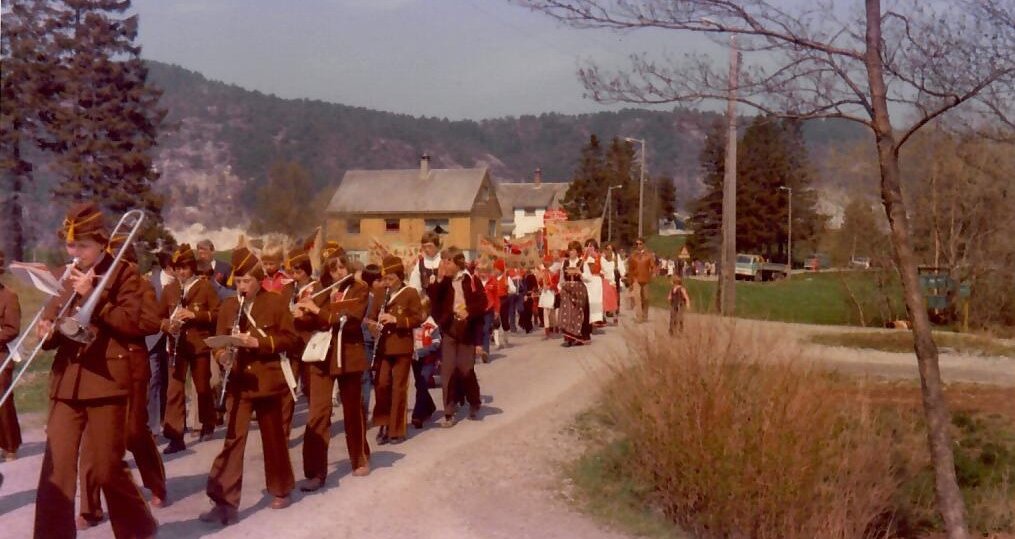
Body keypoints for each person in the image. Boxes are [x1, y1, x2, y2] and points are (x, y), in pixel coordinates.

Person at [34, 202, 158, 539]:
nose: (75, 253)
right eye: (71, 245)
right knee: (56, 470)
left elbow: (135, 324)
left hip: (105, 380)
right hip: (66, 384)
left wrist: (96, 299)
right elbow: (56, 323)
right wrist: (45, 331)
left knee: (106, 468)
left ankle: (138, 529)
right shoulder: (64, 274)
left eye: (83, 246)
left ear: (102, 244)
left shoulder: (123, 274)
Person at [201, 246, 297, 525]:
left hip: (268, 379)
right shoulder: (229, 306)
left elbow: (291, 340)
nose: (242, 287)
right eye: (238, 281)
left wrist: (260, 343)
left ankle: (281, 488)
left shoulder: (276, 302)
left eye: (247, 281)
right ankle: (224, 502)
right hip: (239, 381)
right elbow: (218, 339)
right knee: (233, 439)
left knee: (274, 437)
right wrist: (221, 355)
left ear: (259, 280)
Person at [78, 234, 168, 529]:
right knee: (93, 439)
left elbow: (151, 323)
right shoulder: (93, 285)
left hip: (132, 364)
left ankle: (156, 483)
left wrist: (113, 316)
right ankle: (90, 507)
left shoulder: (140, 286)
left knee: (132, 432)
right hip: (100, 367)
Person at [294, 251, 371, 491]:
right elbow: (310, 323)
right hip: (322, 357)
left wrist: (318, 312)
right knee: (318, 412)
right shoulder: (318, 289)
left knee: (352, 410)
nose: (339, 272)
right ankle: (315, 472)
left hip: (349, 355)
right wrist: (300, 314)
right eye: (333, 268)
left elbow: (351, 319)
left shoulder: (359, 289)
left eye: (342, 267)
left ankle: (359, 457)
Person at [160, 243, 221, 454]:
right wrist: (169, 324)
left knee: (202, 387)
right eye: (177, 268)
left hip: (198, 345)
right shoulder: (169, 289)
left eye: (185, 268)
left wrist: (196, 315)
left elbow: (217, 313)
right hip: (176, 346)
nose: (181, 272)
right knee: (174, 392)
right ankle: (175, 437)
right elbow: (159, 316)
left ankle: (208, 421)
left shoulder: (205, 287)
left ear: (192, 268)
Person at [426, 247, 485, 427]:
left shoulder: (471, 280)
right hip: (449, 330)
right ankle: (449, 412)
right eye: (442, 261)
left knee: (466, 369)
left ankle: (474, 401)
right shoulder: (441, 282)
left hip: (467, 329)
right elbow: (433, 302)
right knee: (448, 371)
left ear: (457, 263)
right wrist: (438, 281)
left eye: (447, 261)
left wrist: (469, 312)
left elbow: (482, 303)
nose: (444, 264)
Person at [367, 255, 423, 445]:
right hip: (383, 346)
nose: (387, 282)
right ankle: (383, 423)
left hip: (401, 346)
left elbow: (418, 318)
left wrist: (396, 320)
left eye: (390, 278)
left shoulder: (410, 293)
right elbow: (371, 317)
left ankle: (396, 429)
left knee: (399, 387)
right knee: (381, 385)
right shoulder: (381, 293)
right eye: (385, 278)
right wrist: (373, 325)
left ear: (399, 276)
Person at [144, 245, 175, 437]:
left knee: (170, 380)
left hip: (173, 338)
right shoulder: (149, 282)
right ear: (168, 267)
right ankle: (153, 426)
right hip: (154, 337)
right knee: (154, 379)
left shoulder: (181, 285)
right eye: (176, 267)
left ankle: (170, 419)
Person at [0, 249, 22, 463]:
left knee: (3, 399)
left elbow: (12, 329)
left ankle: (10, 445)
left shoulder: (9, 296)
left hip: (1, 355)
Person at [409, 297, 440, 429]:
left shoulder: (432, 326)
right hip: (415, 360)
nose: (418, 315)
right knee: (419, 384)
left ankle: (418, 415)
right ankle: (430, 406)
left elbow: (436, 344)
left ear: (427, 311)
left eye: (420, 312)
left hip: (427, 360)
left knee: (422, 384)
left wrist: (422, 351)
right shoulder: (414, 324)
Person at [359, 263, 382, 419]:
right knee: (365, 378)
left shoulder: (374, 297)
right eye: (379, 280)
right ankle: (362, 414)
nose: (382, 284)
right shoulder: (368, 298)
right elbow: (365, 321)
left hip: (370, 340)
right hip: (366, 340)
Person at [559, 241, 592, 347]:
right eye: (570, 250)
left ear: (578, 252)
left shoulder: (583, 263)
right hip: (567, 291)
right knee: (567, 313)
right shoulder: (564, 263)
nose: (571, 252)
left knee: (578, 314)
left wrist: (580, 274)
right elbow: (561, 279)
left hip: (579, 291)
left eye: (573, 250)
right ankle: (568, 338)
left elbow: (589, 278)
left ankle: (578, 337)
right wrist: (560, 287)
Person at [626, 238, 657, 323]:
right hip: (636, 279)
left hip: (646, 279)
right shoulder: (633, 256)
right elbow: (630, 269)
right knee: (637, 298)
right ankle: (639, 317)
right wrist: (630, 281)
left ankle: (645, 315)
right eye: (637, 244)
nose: (638, 245)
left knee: (646, 298)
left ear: (643, 244)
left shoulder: (649, 255)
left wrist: (654, 273)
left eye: (640, 244)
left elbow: (653, 266)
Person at [408, 230, 442, 297]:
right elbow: (414, 286)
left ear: (437, 246)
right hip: (426, 302)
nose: (426, 249)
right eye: (424, 247)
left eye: (429, 246)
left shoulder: (444, 260)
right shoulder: (420, 264)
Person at [476, 263, 499, 361]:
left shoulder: (493, 281)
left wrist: (497, 310)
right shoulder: (475, 281)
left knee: (485, 330)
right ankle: (477, 351)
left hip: (489, 309)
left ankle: (485, 352)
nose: (482, 274)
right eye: (481, 271)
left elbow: (496, 297)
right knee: (478, 330)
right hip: (477, 310)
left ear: (488, 272)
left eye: (484, 272)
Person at [537, 254, 560, 339]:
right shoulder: (542, 272)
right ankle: (547, 331)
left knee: (552, 313)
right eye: (545, 261)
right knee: (545, 312)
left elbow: (556, 284)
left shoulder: (554, 273)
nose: (545, 263)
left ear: (550, 262)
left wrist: (549, 287)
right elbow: (540, 283)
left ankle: (555, 328)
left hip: (552, 293)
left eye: (547, 261)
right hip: (545, 294)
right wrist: (540, 282)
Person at [583, 239, 605, 326]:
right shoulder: (584, 257)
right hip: (587, 280)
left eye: (592, 246)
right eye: (588, 246)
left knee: (596, 300)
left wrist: (601, 274)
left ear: (595, 247)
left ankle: (596, 320)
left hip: (596, 280)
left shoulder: (599, 257)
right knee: (588, 300)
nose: (590, 248)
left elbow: (604, 269)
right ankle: (588, 319)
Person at [600, 243, 623, 325]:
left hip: (613, 281)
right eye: (607, 249)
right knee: (604, 298)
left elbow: (620, 267)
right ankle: (603, 316)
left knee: (613, 299)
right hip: (605, 280)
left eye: (610, 249)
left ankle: (615, 316)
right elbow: (601, 269)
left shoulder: (616, 258)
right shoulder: (602, 259)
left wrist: (623, 275)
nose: (608, 251)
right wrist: (601, 273)